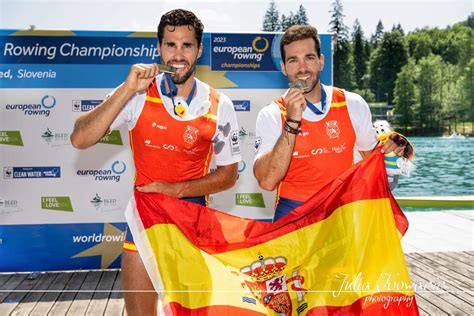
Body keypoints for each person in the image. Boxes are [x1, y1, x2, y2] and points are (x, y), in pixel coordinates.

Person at [70, 9, 241, 315]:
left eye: (187, 45)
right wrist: (126, 90)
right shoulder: (137, 93)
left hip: (193, 221)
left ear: (199, 50)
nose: (178, 55)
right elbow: (80, 138)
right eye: (171, 45)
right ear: (159, 48)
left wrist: (175, 190)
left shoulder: (219, 104)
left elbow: (229, 175)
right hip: (144, 222)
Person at [253, 25, 407, 221]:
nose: (302, 68)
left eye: (309, 57)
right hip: (295, 218)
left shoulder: (352, 103)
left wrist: (394, 148)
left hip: (341, 215)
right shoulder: (272, 114)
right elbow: (267, 181)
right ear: (283, 67)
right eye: (293, 60)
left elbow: (374, 162)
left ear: (321, 62)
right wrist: (291, 121)